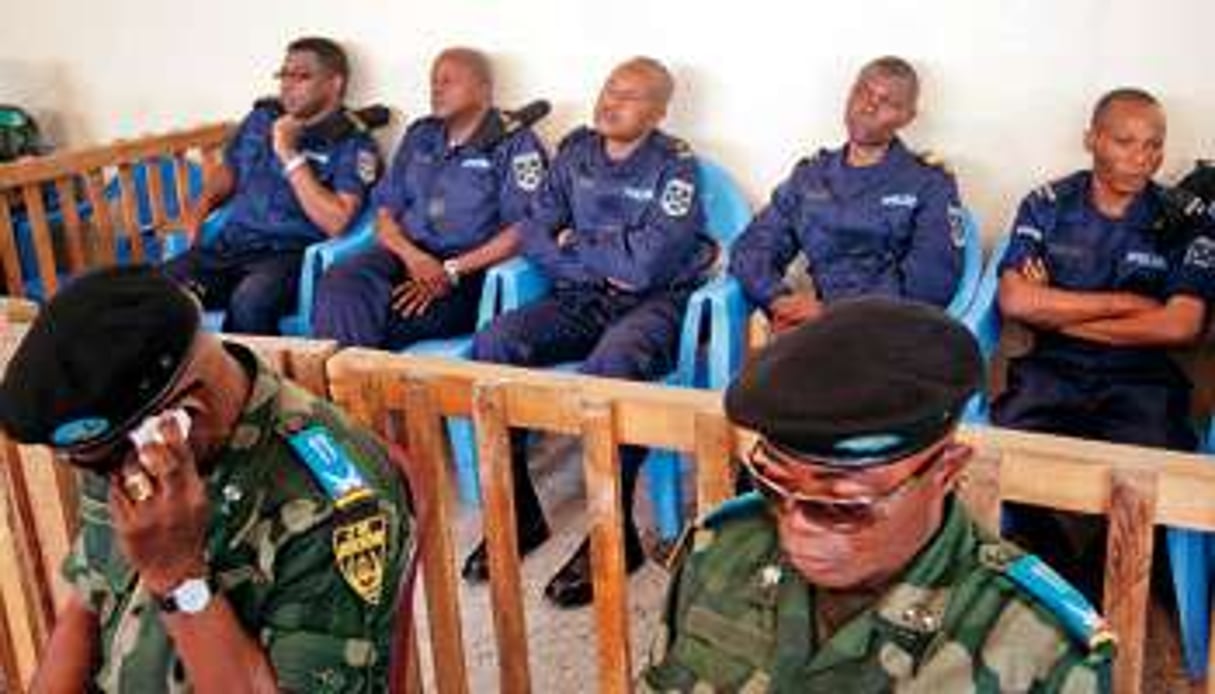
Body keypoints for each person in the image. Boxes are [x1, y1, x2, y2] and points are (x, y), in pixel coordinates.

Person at [640, 297, 1113, 692]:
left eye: (841, 504)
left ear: (947, 471)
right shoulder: (718, 551)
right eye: (773, 483)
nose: (795, 523)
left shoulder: (1040, 652)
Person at [0, 265, 410, 692]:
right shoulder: (129, 448)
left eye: (103, 465)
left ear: (184, 416)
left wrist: (180, 579)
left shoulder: (329, 507)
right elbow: (85, 604)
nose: (108, 480)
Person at [463, 56, 716, 608]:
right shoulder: (575, 152)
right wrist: (590, 261)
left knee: (612, 367)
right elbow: (533, 231)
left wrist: (575, 241)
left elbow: (645, 268)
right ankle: (519, 512)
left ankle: (612, 531)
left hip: (654, 306)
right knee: (493, 346)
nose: (610, 101)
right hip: (578, 297)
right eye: (608, 89)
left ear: (658, 111)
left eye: (629, 95)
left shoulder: (676, 168)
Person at [990, 87, 1215, 597]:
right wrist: (1129, 304)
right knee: (999, 453)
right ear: (1091, 139)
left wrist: (1059, 311)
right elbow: (1017, 302)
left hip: (1142, 377)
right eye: (1125, 142)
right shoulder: (1048, 204)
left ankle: (1111, 574)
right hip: (1054, 370)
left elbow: (1180, 326)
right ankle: (1057, 565)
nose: (1142, 158)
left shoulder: (1186, 216)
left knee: (1159, 471)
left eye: (1154, 145)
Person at [311, 47, 547, 349]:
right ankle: (344, 384)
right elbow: (384, 214)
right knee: (340, 282)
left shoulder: (515, 145)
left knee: (381, 321)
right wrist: (414, 257)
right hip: (406, 254)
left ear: (484, 89)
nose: (436, 88)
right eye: (434, 81)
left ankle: (347, 388)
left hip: (468, 271)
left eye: (449, 81)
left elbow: (523, 229)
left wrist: (452, 270)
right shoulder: (421, 134)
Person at [729, 56, 965, 334]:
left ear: (907, 117)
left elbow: (931, 285)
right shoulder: (811, 176)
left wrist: (830, 310)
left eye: (887, 102)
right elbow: (753, 247)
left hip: (889, 332)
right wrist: (778, 299)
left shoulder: (929, 184)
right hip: (813, 329)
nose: (868, 106)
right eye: (862, 92)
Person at [163, 36, 381, 335]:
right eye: (284, 76)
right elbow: (230, 170)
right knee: (158, 290)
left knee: (250, 302)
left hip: (288, 255)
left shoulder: (354, 144)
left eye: (301, 76)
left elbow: (336, 222)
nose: (287, 85)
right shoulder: (262, 118)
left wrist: (289, 154)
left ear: (335, 84)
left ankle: (249, 379)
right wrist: (198, 208)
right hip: (231, 246)